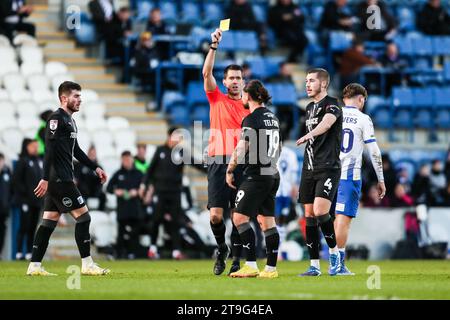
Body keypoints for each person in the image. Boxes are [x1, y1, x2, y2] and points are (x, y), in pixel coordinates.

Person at [27, 81, 109, 276]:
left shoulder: (70, 120)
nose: (79, 100)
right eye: (75, 96)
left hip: (60, 179)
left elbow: (77, 151)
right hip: (60, 180)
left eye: (80, 96)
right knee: (84, 217)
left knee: (49, 221)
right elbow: (49, 150)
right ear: (64, 98)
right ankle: (87, 264)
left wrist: (95, 167)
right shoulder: (56, 118)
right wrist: (45, 178)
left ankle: (34, 266)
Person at [203, 28, 251, 276]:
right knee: (215, 216)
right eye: (231, 78)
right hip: (218, 161)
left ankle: (235, 259)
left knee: (239, 215)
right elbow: (206, 72)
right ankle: (221, 248)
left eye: (238, 78)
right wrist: (213, 46)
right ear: (224, 81)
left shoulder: (250, 108)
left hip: (241, 163)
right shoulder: (216, 98)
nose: (234, 81)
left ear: (243, 81)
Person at [226, 80, 281, 278]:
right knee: (267, 222)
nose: (241, 97)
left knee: (239, 217)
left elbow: (242, 148)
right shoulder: (273, 118)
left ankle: (250, 264)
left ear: (248, 96)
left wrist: (230, 169)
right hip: (272, 174)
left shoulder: (251, 119)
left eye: (243, 94)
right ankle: (271, 269)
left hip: (257, 175)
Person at [331, 83, 385, 275]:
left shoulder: (332, 115)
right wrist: (381, 179)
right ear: (361, 99)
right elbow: (374, 152)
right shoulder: (363, 119)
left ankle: (327, 261)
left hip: (328, 173)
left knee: (331, 219)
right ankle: (337, 264)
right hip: (349, 176)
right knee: (343, 220)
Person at [296, 68, 343, 276]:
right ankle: (314, 265)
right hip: (309, 167)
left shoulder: (332, 104)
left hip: (328, 167)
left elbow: (326, 124)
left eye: (312, 81)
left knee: (320, 210)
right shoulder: (308, 107)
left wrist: (309, 135)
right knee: (308, 215)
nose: (307, 84)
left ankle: (334, 255)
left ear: (323, 84)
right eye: (306, 81)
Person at [140, 127, 186, 260]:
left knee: (175, 221)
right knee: (156, 219)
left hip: (175, 192)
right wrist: (144, 184)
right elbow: (150, 170)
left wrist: (211, 169)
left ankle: (176, 251)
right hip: (160, 192)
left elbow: (196, 163)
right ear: (169, 136)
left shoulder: (182, 153)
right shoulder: (160, 150)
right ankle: (153, 248)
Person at [107, 151, 143, 259]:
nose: (126, 162)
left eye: (128, 159)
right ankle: (119, 254)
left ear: (132, 159)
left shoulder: (139, 174)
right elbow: (109, 188)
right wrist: (116, 191)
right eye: (124, 159)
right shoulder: (118, 174)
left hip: (135, 208)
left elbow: (145, 188)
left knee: (134, 233)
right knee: (121, 233)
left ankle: (133, 253)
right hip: (122, 208)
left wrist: (137, 192)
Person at [13, 139, 43, 260]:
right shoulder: (22, 161)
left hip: (37, 201)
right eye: (32, 146)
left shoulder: (39, 162)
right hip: (25, 200)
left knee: (32, 227)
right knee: (24, 226)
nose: (35, 148)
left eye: (36, 146)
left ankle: (30, 252)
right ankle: (19, 251)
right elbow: (16, 181)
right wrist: (25, 194)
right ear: (26, 147)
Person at [74, 145, 106, 211]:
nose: (92, 155)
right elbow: (76, 179)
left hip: (95, 191)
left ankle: (100, 213)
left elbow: (101, 181)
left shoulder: (99, 167)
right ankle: (85, 213)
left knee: (103, 196)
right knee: (81, 194)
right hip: (83, 191)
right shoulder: (80, 165)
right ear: (87, 153)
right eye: (90, 153)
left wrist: (98, 190)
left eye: (93, 154)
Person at [0, 153, 12, 258]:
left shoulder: (7, 172)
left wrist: (8, 203)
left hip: (3, 209)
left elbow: (11, 189)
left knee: (2, 232)